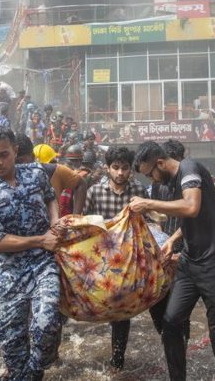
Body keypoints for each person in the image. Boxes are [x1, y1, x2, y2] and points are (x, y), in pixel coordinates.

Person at [130, 141, 215, 381]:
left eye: (150, 174)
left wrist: (147, 203)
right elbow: (191, 218)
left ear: (160, 163)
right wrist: (174, 238)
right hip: (191, 262)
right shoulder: (169, 183)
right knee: (171, 322)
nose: (152, 180)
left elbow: (191, 207)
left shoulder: (189, 168)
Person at [0, 127, 64, 380]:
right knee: (12, 342)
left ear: (15, 150)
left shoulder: (36, 173)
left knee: (46, 325)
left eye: (3, 155)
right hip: (11, 271)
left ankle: (32, 372)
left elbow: (50, 197)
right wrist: (40, 240)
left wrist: (55, 221)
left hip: (44, 264)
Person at [83, 146, 148, 371]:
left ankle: (117, 362)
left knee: (122, 309)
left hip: (128, 259)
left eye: (125, 168)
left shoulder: (139, 191)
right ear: (107, 168)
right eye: (116, 167)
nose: (120, 173)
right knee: (96, 300)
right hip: (101, 258)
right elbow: (85, 223)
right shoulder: (94, 192)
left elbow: (147, 223)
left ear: (131, 169)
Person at [18, 137, 86, 216]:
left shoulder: (56, 171)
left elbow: (81, 184)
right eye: (51, 162)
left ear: (33, 158)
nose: (54, 164)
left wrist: (75, 217)